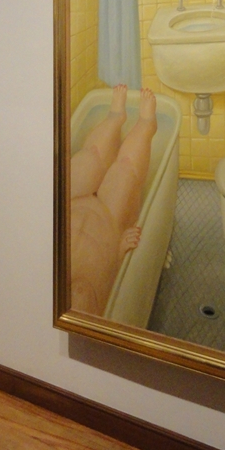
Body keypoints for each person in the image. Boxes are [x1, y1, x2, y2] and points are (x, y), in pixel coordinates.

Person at [70, 85, 157, 316]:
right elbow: (109, 303)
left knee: (90, 158)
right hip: (108, 226)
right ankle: (146, 125)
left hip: (71, 204)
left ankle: (115, 117)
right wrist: (119, 254)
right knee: (124, 172)